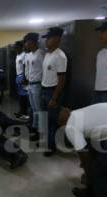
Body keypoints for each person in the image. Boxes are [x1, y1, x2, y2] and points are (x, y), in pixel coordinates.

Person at [41, 27, 67, 157]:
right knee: (47, 119)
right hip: (45, 90)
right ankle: (48, 142)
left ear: (56, 39)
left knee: (53, 122)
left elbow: (62, 79)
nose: (46, 41)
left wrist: (54, 98)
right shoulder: (48, 54)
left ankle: (52, 147)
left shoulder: (60, 56)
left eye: (48, 38)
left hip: (53, 93)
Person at [24, 33, 45, 141]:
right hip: (30, 84)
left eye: (27, 42)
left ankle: (41, 133)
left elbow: (44, 70)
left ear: (32, 42)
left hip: (38, 84)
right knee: (33, 109)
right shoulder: (30, 55)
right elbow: (28, 71)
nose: (25, 44)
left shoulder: (40, 54)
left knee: (39, 110)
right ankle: (35, 128)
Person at [14, 41, 30, 120]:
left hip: (23, 77)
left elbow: (25, 67)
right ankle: (21, 111)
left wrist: (24, 77)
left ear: (21, 47)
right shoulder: (17, 55)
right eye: (15, 48)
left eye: (17, 47)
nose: (15, 49)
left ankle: (25, 113)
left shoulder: (25, 55)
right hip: (18, 76)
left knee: (24, 96)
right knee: (20, 96)